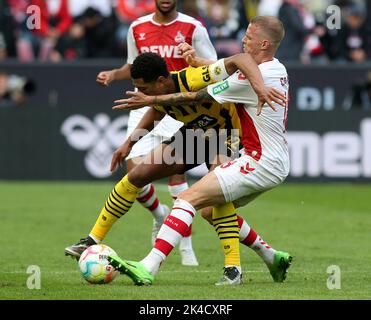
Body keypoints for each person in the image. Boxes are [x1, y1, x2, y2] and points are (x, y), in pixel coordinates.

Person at [107, 16, 292, 286]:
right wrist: (198, 63)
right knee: (211, 210)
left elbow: (200, 96)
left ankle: (149, 266)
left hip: (259, 162)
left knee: (187, 199)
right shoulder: (276, 69)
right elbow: (228, 67)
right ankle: (272, 257)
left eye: (249, 37)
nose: (243, 40)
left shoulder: (254, 77)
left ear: (264, 43)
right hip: (273, 162)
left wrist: (152, 100)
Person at [65, 0, 218, 266]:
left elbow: (214, 68)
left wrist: (193, 61)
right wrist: (114, 74)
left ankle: (186, 247)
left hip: (183, 104)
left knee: (177, 173)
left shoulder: (194, 27)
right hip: (148, 102)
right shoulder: (137, 27)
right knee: (134, 172)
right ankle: (159, 215)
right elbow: (132, 66)